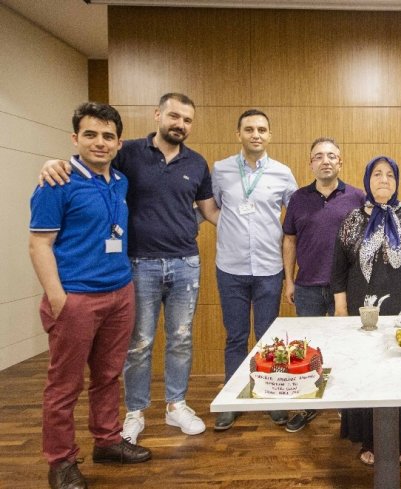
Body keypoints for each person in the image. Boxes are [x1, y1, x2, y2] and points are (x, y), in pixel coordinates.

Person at [39, 93, 219, 444]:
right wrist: (52, 163)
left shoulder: (197, 163)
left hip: (185, 263)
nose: (180, 124)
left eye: (187, 120)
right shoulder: (128, 152)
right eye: (174, 116)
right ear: (157, 115)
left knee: (181, 339)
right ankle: (135, 411)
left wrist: (248, 229)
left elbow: (209, 210)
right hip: (139, 263)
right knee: (139, 342)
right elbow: (91, 164)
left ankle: (176, 405)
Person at [30, 103, 151, 489]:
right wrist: (58, 299)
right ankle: (61, 461)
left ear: (118, 143)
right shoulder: (57, 182)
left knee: (109, 375)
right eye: (91, 134)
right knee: (64, 385)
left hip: (120, 292)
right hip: (76, 299)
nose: (100, 142)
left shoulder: (120, 181)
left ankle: (107, 440)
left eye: (108, 136)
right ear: (75, 138)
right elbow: (39, 244)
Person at [332, 156, 401, 466]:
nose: (383, 179)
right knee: (367, 370)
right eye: (377, 174)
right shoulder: (353, 219)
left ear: (397, 181)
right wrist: (340, 308)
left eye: (390, 175)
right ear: (367, 180)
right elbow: (338, 268)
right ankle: (369, 438)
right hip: (364, 310)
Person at [212, 109, 298, 431]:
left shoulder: (282, 173)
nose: (256, 134)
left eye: (262, 129)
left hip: (269, 268)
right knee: (235, 337)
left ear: (269, 135)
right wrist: (231, 228)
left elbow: (295, 215)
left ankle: (271, 396)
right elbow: (212, 208)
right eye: (249, 129)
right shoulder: (220, 170)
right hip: (230, 267)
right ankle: (232, 400)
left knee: (268, 338)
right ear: (239, 134)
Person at [281, 137, 365, 432]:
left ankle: (346, 404)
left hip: (347, 288)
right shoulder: (298, 198)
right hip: (307, 287)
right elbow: (289, 240)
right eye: (318, 156)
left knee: (346, 346)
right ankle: (309, 403)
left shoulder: (357, 197)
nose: (325, 161)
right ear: (311, 164)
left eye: (331, 156)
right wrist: (289, 281)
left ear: (340, 162)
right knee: (308, 349)